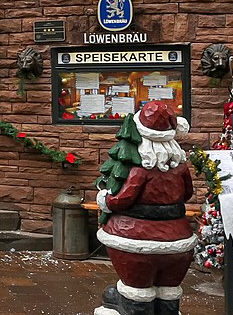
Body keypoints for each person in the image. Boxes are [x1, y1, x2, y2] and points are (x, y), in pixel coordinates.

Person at [96, 102, 197, 315]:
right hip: (178, 238)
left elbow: (123, 199)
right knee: (168, 287)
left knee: (137, 288)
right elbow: (188, 194)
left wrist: (106, 199)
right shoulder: (180, 167)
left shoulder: (140, 170)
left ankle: (135, 307)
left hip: (134, 238)